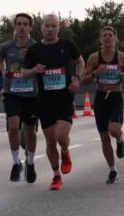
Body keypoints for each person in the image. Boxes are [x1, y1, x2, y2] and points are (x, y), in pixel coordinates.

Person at [24, 14, 84, 190]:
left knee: (61, 137)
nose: (50, 29)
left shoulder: (66, 45)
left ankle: (65, 151)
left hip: (64, 99)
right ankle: (56, 175)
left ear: (58, 28)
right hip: (44, 102)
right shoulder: (34, 50)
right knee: (50, 142)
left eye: (53, 26)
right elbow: (24, 73)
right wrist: (34, 69)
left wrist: (76, 79)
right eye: (47, 26)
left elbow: (80, 62)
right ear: (41, 28)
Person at [82, 27, 124, 184]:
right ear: (100, 39)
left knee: (114, 130)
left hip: (116, 97)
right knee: (104, 137)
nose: (107, 38)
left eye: (110, 35)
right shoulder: (94, 58)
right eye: (104, 35)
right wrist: (96, 73)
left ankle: (119, 140)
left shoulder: (122, 57)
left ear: (115, 38)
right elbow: (84, 79)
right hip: (100, 99)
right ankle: (112, 170)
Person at [0, 13, 39, 183]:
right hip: (11, 92)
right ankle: (16, 163)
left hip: (31, 94)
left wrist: (29, 57)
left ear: (30, 27)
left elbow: (41, 66)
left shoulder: (35, 47)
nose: (22, 27)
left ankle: (30, 162)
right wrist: (3, 72)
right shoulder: (7, 46)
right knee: (13, 127)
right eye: (19, 24)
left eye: (25, 24)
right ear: (15, 26)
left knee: (30, 131)